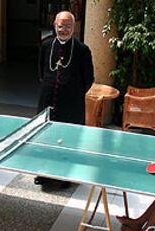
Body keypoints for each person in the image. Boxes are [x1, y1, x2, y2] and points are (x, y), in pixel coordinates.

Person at [35, 10, 94, 187]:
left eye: (68, 26)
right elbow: (41, 72)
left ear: (74, 28)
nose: (64, 30)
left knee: (68, 140)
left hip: (72, 105)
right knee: (45, 138)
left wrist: (73, 94)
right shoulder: (46, 46)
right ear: (55, 26)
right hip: (47, 100)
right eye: (61, 26)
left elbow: (89, 78)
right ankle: (43, 173)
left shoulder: (82, 50)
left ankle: (65, 176)